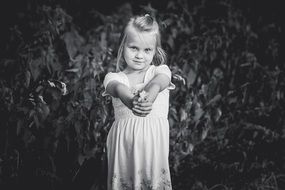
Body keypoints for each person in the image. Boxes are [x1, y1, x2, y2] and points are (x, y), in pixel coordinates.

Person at [103, 14, 175, 190]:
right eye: (133, 48)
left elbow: (159, 83)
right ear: (122, 46)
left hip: (153, 155)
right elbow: (117, 89)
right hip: (124, 154)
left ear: (155, 50)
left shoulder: (160, 72)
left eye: (147, 50)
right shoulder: (114, 78)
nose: (140, 56)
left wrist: (149, 96)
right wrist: (131, 101)